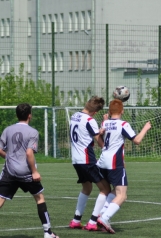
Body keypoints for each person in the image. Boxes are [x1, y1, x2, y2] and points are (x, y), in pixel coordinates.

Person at [0, 103, 59, 238]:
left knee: (1, 199)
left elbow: (0, 148)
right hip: (25, 172)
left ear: (17, 115)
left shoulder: (7, 129)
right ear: (29, 116)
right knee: (39, 198)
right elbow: (29, 153)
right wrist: (34, 171)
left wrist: (9, 157)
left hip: (9, 171)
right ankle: (48, 232)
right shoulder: (33, 132)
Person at [96, 99, 151, 234]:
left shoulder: (105, 123)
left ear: (109, 112)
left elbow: (99, 139)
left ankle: (101, 214)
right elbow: (136, 140)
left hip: (102, 162)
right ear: (122, 111)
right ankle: (105, 217)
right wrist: (145, 128)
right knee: (122, 195)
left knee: (114, 191)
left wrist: (105, 121)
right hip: (115, 163)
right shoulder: (123, 124)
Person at [68, 96, 111, 231]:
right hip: (87, 160)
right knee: (105, 189)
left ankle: (76, 220)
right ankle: (92, 222)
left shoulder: (74, 115)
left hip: (75, 159)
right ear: (95, 112)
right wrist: (106, 146)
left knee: (87, 188)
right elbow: (97, 138)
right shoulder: (90, 120)